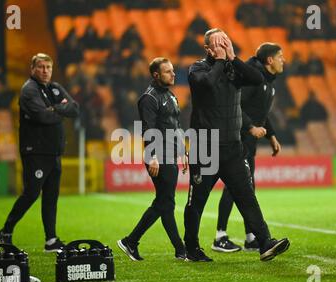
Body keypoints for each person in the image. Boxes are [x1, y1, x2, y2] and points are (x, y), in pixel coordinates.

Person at [184, 28, 290, 262]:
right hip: (205, 147)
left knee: (246, 195)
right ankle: (191, 248)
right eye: (218, 44)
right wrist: (221, 60)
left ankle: (265, 242)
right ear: (208, 49)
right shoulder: (197, 69)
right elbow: (209, 85)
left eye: (226, 42)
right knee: (197, 201)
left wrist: (232, 57)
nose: (223, 46)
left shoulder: (234, 68)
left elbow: (257, 78)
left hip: (232, 147)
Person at [0, 53, 79, 252]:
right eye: (41, 67)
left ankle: (51, 240)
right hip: (35, 151)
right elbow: (42, 117)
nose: (45, 71)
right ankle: (5, 231)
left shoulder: (55, 88)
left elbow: (74, 108)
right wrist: (60, 110)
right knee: (32, 193)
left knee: (51, 196)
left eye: (48, 67)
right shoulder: (28, 90)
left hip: (53, 151)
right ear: (32, 69)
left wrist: (53, 109)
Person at [214, 42, 286, 253]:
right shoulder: (253, 78)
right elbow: (235, 105)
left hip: (249, 143)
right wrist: (250, 127)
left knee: (247, 187)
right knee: (236, 186)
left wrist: (271, 135)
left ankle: (250, 237)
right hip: (236, 140)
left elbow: (260, 112)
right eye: (280, 56)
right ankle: (220, 235)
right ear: (270, 60)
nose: (284, 60)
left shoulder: (268, 81)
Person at [117, 57, 188, 261]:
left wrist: (182, 151)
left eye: (173, 70)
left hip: (170, 154)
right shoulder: (149, 98)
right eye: (168, 71)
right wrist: (153, 156)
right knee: (165, 202)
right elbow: (148, 129)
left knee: (165, 203)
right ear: (156, 75)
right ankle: (179, 249)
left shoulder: (171, 95)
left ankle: (133, 242)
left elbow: (177, 126)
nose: (173, 74)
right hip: (158, 156)